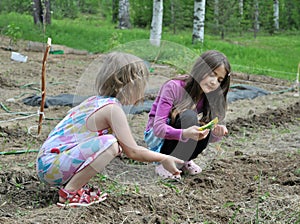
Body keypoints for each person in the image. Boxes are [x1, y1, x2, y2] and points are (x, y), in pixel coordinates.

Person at [36, 52, 184, 207]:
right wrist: (164, 158)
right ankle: (69, 193)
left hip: (49, 162)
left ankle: (74, 187)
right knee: (110, 144)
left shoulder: (95, 101)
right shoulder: (112, 109)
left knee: (108, 144)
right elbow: (133, 151)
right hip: (52, 166)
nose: (143, 92)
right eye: (142, 85)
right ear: (130, 84)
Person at [144, 50, 231, 179]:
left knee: (205, 125)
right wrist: (185, 133)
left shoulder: (210, 97)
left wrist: (216, 134)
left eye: (219, 80)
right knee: (188, 117)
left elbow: (207, 138)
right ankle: (164, 162)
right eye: (212, 74)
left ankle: (183, 160)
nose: (214, 82)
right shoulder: (173, 87)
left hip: (180, 135)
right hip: (157, 138)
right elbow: (158, 129)